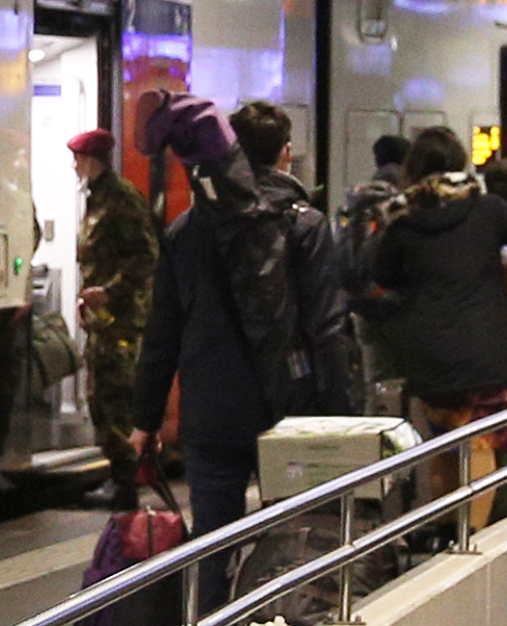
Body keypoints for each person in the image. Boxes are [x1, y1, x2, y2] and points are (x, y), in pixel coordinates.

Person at [133, 96, 356, 540]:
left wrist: (146, 419)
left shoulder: (185, 230)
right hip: (288, 413)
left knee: (212, 542)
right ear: (285, 153)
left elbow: (162, 333)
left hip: (211, 413)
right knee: (296, 540)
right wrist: (341, 418)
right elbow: (328, 329)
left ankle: (210, 609)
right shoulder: (304, 225)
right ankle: (277, 611)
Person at [367, 124, 507, 543]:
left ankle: (445, 531)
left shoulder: (404, 219)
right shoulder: (489, 210)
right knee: (481, 444)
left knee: (444, 442)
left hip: (429, 352)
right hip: (486, 347)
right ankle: (471, 538)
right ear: (460, 163)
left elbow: (379, 273)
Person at [77, 124, 164, 475]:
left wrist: (109, 292)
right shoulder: (97, 197)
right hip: (103, 319)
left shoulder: (122, 197)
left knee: (117, 396)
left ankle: (128, 480)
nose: (75, 167)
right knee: (101, 396)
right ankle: (120, 474)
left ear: (91, 160)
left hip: (123, 318)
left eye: (78, 159)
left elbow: (146, 254)